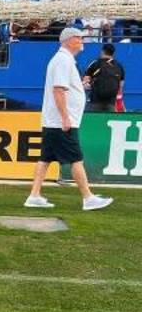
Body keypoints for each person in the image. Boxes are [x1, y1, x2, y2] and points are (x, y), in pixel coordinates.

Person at [24, 27, 113, 212]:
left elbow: (63, 88)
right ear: (69, 40)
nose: (82, 41)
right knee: (76, 159)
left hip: (54, 121)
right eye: (79, 38)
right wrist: (65, 118)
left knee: (45, 158)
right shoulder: (63, 61)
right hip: (61, 122)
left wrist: (79, 85)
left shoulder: (64, 60)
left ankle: (34, 196)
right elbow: (58, 90)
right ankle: (88, 198)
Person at [82, 43, 125, 113]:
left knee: (91, 119)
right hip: (111, 102)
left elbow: (85, 83)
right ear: (113, 53)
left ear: (102, 51)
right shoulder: (119, 66)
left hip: (95, 101)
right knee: (108, 119)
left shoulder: (95, 64)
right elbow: (121, 85)